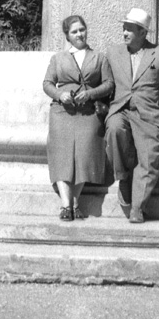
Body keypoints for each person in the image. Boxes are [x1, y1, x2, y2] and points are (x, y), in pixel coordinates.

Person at [104, 8, 159, 223]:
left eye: (129, 29)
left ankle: (137, 207)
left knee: (149, 158)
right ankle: (123, 178)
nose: (124, 33)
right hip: (121, 109)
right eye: (124, 28)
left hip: (149, 114)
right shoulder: (113, 52)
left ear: (143, 32)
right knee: (114, 130)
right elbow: (107, 84)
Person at [43, 15, 114, 221]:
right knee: (62, 154)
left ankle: (75, 202)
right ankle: (66, 205)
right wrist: (60, 94)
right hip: (62, 112)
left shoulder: (99, 58)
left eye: (82, 29)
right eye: (74, 32)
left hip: (88, 112)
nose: (79, 34)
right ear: (67, 36)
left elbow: (109, 84)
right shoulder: (58, 58)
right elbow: (47, 83)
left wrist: (90, 94)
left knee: (85, 154)